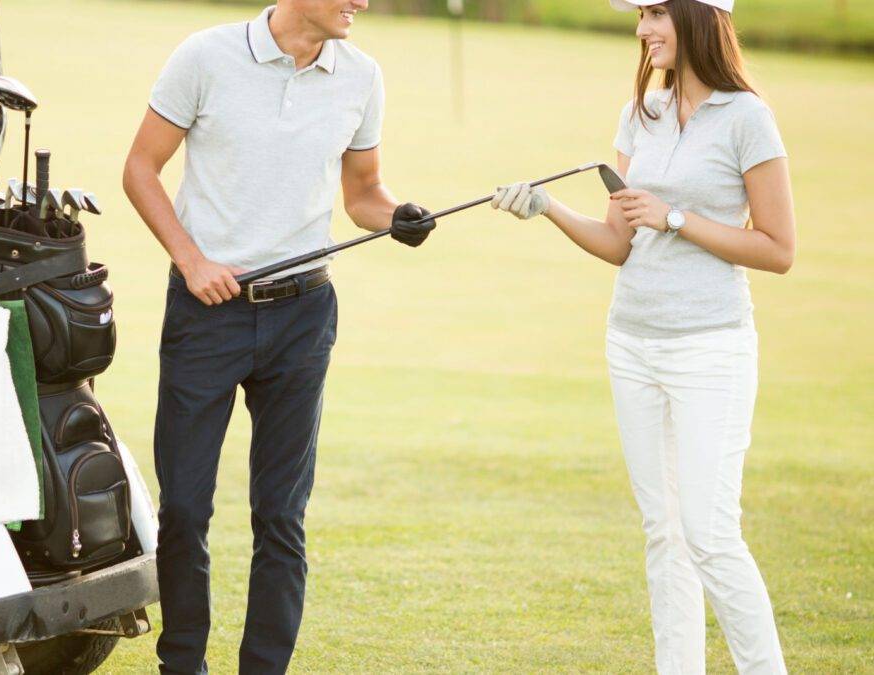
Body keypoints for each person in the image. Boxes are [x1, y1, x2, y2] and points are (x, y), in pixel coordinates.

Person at [122, 1, 436, 672]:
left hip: (303, 314)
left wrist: (398, 216)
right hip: (207, 312)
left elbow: (364, 194)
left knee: (282, 514)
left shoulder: (361, 76)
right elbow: (140, 169)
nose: (364, 2)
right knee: (183, 505)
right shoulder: (205, 57)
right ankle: (182, 663)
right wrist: (191, 259)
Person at [492, 0, 794, 672]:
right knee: (665, 534)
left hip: (709, 348)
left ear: (697, 17)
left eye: (655, 13)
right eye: (641, 16)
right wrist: (546, 208)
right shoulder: (641, 114)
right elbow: (619, 242)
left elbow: (778, 249)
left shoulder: (748, 118)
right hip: (631, 343)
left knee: (709, 533)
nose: (642, 30)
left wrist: (676, 216)